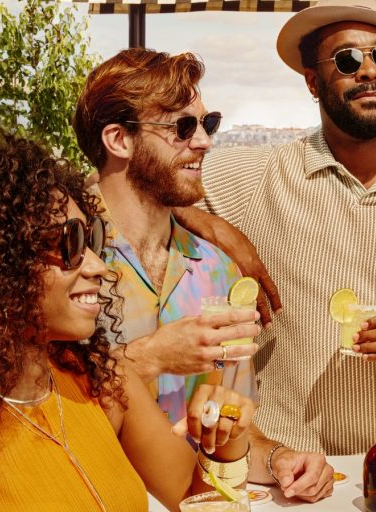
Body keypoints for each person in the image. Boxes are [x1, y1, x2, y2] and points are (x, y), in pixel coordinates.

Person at [0, 138, 255, 511]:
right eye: (69, 244)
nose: (97, 265)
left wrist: (226, 443)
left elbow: (190, 497)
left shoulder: (100, 381)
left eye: (93, 239)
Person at [175, 0, 376, 456]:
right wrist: (215, 226)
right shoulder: (258, 176)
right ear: (312, 82)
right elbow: (120, 194)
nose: (369, 71)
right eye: (348, 59)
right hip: (294, 474)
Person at [73, 48, 333, 502]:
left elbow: (231, 432)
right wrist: (148, 358)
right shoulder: (60, 259)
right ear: (119, 140)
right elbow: (36, 418)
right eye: (182, 126)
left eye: (206, 123)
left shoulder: (217, 269)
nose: (204, 142)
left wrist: (279, 460)